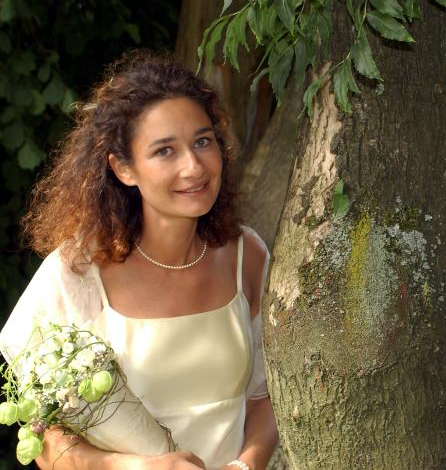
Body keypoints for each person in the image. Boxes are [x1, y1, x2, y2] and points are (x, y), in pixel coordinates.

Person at [0, 51, 278, 469]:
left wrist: (244, 467)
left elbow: (265, 397)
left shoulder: (247, 257)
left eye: (202, 141)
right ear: (123, 168)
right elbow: (46, 442)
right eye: (165, 151)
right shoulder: (78, 271)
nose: (194, 167)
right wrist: (137, 467)